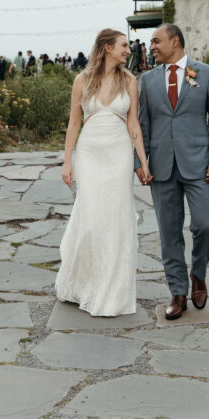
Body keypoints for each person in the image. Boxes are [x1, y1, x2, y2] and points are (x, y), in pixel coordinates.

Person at [56, 28, 151, 316]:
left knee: (117, 217)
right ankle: (85, 283)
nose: (128, 50)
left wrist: (144, 163)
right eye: (123, 45)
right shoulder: (82, 80)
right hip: (90, 153)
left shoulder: (130, 81)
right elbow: (74, 123)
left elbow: (133, 125)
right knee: (92, 219)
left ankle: (113, 291)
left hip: (119, 153)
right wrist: (67, 161)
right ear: (107, 47)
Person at [136, 23, 209, 320]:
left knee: (204, 225)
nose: (152, 46)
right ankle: (177, 292)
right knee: (168, 233)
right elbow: (142, 125)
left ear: (175, 42)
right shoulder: (147, 81)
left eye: (156, 41)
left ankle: (198, 275)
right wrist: (140, 163)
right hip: (161, 168)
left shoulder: (206, 73)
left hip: (199, 163)